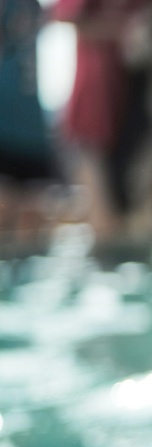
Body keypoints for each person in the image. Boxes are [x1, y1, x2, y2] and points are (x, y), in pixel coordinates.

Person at [53, 0, 152, 264]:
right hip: (96, 107)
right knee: (105, 222)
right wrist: (126, 30)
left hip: (142, 111)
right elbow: (66, 17)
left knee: (146, 220)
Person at [0, 0, 58, 259]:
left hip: (31, 129)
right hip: (7, 127)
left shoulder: (32, 5)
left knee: (33, 220)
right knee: (7, 211)